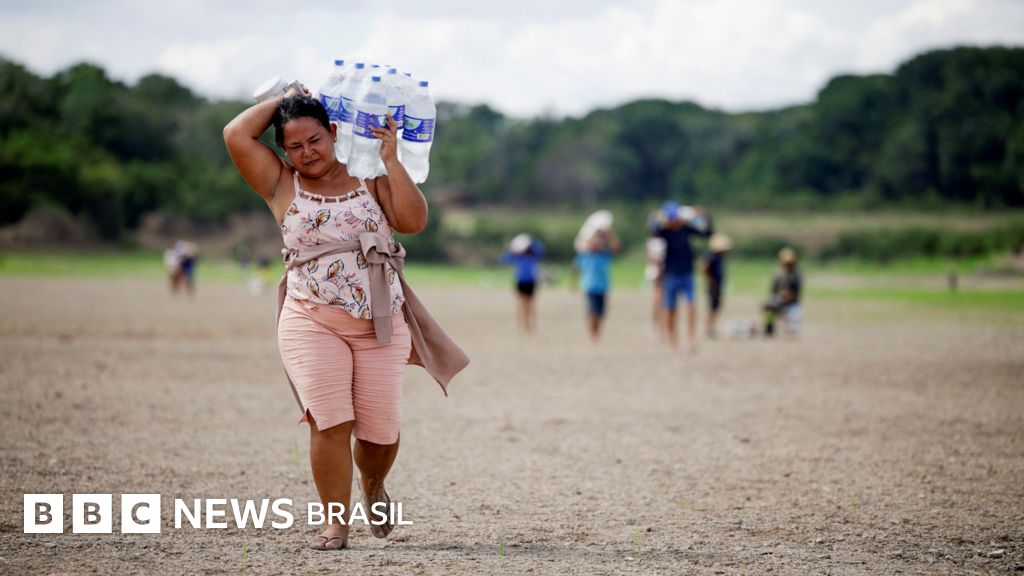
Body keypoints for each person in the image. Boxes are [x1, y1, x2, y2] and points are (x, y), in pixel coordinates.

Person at [224, 89, 467, 551]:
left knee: (380, 431)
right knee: (329, 421)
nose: (306, 153)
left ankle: (372, 485)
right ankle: (336, 523)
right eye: (293, 146)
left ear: (334, 132)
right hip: (309, 317)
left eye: (314, 140)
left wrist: (392, 160)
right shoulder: (280, 183)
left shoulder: (368, 174)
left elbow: (413, 222)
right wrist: (286, 97)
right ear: (282, 151)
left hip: (380, 319)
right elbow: (235, 133)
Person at [652, 201, 713, 352]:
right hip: (671, 274)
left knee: (691, 306)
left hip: (687, 274)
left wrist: (703, 216)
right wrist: (657, 217)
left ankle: (691, 339)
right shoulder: (664, 232)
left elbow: (707, 232)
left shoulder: (687, 229)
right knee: (671, 310)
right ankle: (673, 339)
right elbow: (652, 228)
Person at [571, 211, 620, 342]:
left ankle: (597, 333)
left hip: (603, 286)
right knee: (592, 311)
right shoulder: (586, 254)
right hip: (589, 285)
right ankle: (592, 335)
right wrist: (573, 284)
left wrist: (608, 232)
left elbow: (616, 247)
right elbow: (576, 268)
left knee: (601, 313)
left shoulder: (605, 255)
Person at [500, 233, 545, 333]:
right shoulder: (518, 256)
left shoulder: (533, 255)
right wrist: (510, 248)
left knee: (530, 303)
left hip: (531, 281)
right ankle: (522, 324)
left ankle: (529, 323)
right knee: (521, 303)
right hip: (520, 281)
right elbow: (504, 260)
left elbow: (541, 250)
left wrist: (531, 241)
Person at [763, 247, 803, 337]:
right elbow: (773, 291)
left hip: (792, 303)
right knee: (769, 307)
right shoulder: (778, 273)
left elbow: (795, 292)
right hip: (779, 300)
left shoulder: (796, 274)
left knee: (792, 331)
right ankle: (769, 328)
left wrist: (786, 296)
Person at [702, 233, 732, 339]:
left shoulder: (719, 257)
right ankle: (709, 328)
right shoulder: (712, 256)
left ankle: (712, 327)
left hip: (718, 284)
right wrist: (709, 280)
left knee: (716, 307)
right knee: (713, 307)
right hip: (713, 286)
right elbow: (704, 267)